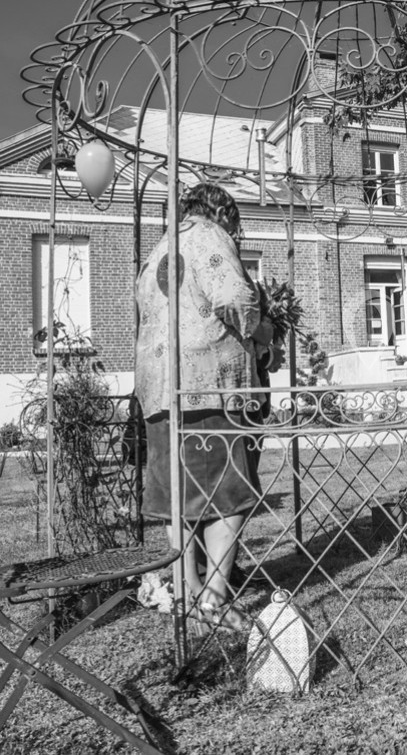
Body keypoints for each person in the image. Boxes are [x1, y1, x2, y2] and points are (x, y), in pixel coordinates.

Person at [135, 183, 275, 632]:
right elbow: (235, 298)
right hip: (208, 388)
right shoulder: (210, 236)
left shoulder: (160, 247)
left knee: (180, 498)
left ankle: (187, 590)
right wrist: (262, 330)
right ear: (224, 213)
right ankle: (212, 597)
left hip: (160, 391)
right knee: (226, 496)